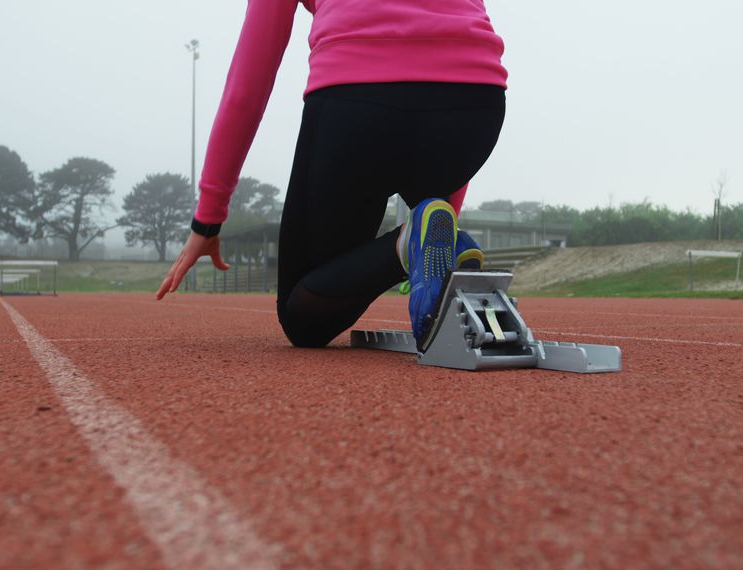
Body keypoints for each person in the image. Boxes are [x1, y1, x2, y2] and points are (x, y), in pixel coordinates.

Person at [156, 0, 507, 350]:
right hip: (478, 103)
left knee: (303, 318)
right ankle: (420, 246)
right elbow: (452, 45)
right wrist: (446, 226)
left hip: (357, 105)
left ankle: (405, 247)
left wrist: (208, 220)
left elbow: (245, 90)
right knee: (437, 145)